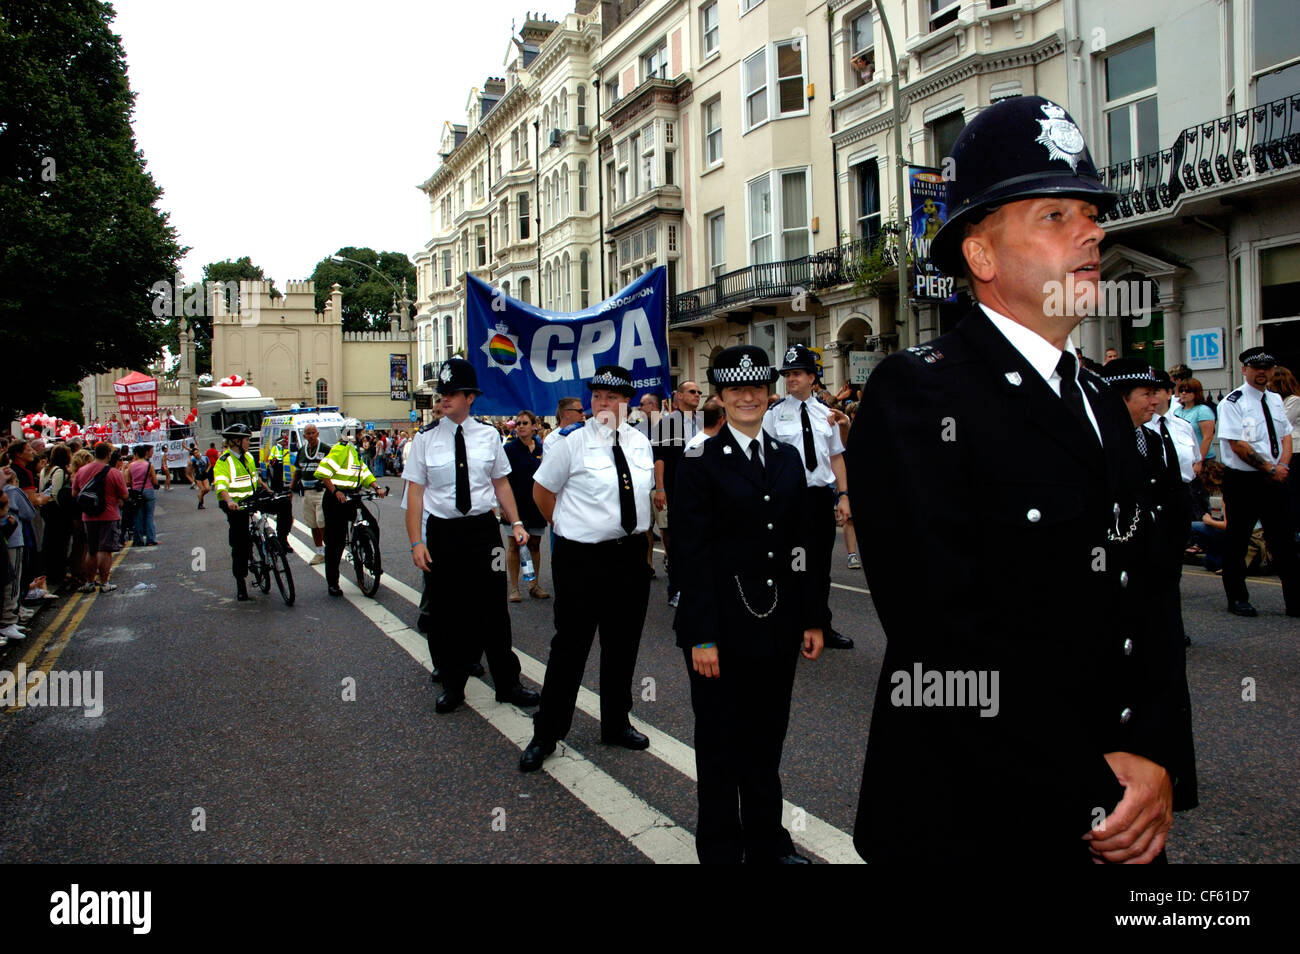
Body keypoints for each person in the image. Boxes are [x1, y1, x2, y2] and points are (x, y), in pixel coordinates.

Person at [847, 95, 1194, 863]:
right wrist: (1094, 783)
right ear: (982, 255)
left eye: (1091, 213)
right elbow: (944, 638)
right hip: (982, 817)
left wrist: (1160, 761)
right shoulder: (918, 393)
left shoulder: (1102, 403)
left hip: (1121, 814)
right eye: (1055, 215)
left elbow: (1149, 603)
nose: (1093, 231)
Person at [672, 345, 823, 863]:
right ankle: (718, 847)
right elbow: (690, 558)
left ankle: (767, 841)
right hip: (721, 627)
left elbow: (803, 545)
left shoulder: (787, 459)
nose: (747, 396)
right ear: (719, 396)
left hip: (777, 624)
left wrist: (812, 618)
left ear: (769, 392)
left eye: (756, 386)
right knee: (718, 745)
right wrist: (702, 635)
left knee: (765, 740)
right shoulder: (698, 463)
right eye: (735, 388)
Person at [519, 367, 656, 772]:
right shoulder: (570, 443)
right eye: (597, 397)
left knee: (622, 644)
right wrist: (566, 527)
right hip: (582, 559)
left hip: (630, 555)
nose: (603, 404)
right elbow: (542, 492)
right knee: (570, 647)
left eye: (611, 398)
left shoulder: (640, 443)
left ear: (626, 402)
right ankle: (546, 733)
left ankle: (616, 723)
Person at [403, 357, 539, 714]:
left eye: (452, 393)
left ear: (470, 397)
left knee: (493, 609)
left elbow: (500, 483)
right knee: (446, 610)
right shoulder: (425, 440)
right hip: (444, 533)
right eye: (442, 393)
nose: (443, 399)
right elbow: (415, 494)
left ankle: (507, 683)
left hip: (483, 531)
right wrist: (417, 542)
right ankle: (452, 683)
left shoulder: (489, 435)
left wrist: (518, 522)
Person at [764, 344, 854, 650]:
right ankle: (791, 625)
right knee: (792, 564)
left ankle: (821, 625)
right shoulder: (774, 415)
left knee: (820, 566)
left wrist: (844, 496)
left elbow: (836, 457)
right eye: (787, 374)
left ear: (812, 377)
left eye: (797, 373)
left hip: (818, 499)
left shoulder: (826, 414)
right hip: (788, 500)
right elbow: (765, 459)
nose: (791, 379)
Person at [1216, 347, 1297, 616]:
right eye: (1256, 368)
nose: (1262, 372)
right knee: (1238, 539)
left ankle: (1294, 600)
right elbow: (1237, 444)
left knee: (1284, 540)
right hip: (1244, 480)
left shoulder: (1274, 399)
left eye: (1267, 368)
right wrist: (1268, 468)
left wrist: (1282, 465)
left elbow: (1285, 435)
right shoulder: (1233, 402)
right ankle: (1237, 598)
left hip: (1275, 478)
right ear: (1244, 369)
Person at [314, 429, 388, 597]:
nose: (363, 436)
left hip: (351, 496)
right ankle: (333, 582)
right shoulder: (341, 449)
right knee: (336, 543)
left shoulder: (355, 451)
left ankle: (369, 558)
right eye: (359, 432)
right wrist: (335, 491)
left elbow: (364, 472)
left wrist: (377, 487)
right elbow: (323, 472)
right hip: (336, 499)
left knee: (371, 524)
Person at [653, 381, 703, 607]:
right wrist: (660, 488)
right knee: (676, 540)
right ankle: (676, 589)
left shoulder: (703, 421)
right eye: (692, 391)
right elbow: (660, 457)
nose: (697, 395)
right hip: (676, 489)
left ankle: (699, 586)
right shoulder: (667, 423)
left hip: (701, 490)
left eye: (699, 392)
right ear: (679, 396)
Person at [502, 410, 549, 602]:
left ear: (533, 426)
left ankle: (533, 584)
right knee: (514, 545)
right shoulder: (509, 449)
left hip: (536, 505)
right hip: (514, 504)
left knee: (534, 545)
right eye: (518, 423)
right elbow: (501, 478)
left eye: (525, 423)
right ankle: (514, 587)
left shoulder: (541, 449)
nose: (521, 426)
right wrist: (503, 506)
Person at [212, 424, 263, 601]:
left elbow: (255, 477)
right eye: (247, 439)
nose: (249, 442)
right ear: (236, 442)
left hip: (251, 498)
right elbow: (221, 485)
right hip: (234, 505)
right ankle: (241, 582)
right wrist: (230, 501)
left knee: (283, 504)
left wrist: (268, 490)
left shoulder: (248, 456)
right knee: (240, 544)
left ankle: (279, 543)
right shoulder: (224, 461)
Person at [71, 441, 128, 595]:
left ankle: (89, 582)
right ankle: (104, 582)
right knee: (105, 550)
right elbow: (124, 494)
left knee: (91, 550)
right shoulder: (114, 472)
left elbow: (75, 494)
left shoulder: (82, 471)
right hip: (109, 515)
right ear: (108, 455)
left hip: (88, 516)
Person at [291, 424, 330, 566]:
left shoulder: (326, 449)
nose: (311, 435)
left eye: (313, 432)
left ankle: (330, 550)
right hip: (307, 492)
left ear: (318, 434)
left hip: (322, 491)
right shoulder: (302, 451)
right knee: (312, 523)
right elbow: (297, 470)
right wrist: (291, 487)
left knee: (322, 522)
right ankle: (320, 552)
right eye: (308, 433)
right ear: (304, 436)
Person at [1173, 377, 1216, 463]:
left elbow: (1207, 437)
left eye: (1188, 391)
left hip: (1203, 459)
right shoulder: (1177, 411)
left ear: (1196, 393)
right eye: (1181, 391)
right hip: (1184, 459)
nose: (1184, 393)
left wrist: (1199, 461)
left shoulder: (1203, 410)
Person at [264, 431, 294, 554]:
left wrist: (266, 489)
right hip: (277, 469)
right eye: (282, 441)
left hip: (283, 470)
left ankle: (283, 538)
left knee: (285, 502)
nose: (284, 442)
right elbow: (272, 459)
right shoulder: (276, 448)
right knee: (277, 484)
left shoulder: (284, 449)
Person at [127, 444, 159, 547]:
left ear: (135, 454)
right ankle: (151, 539)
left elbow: (128, 481)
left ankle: (138, 540)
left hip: (136, 493)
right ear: (145, 453)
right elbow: (154, 481)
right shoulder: (149, 465)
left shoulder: (131, 465)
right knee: (149, 515)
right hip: (149, 491)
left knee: (137, 517)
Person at [188, 444, 211, 509]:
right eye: (195, 453)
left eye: (197, 452)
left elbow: (209, 465)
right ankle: (200, 504)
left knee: (207, 489)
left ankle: (200, 496)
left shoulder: (205, 457)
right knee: (202, 489)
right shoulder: (193, 460)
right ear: (193, 455)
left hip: (204, 474)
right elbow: (191, 469)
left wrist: (206, 471)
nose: (197, 454)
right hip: (198, 476)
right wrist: (193, 478)